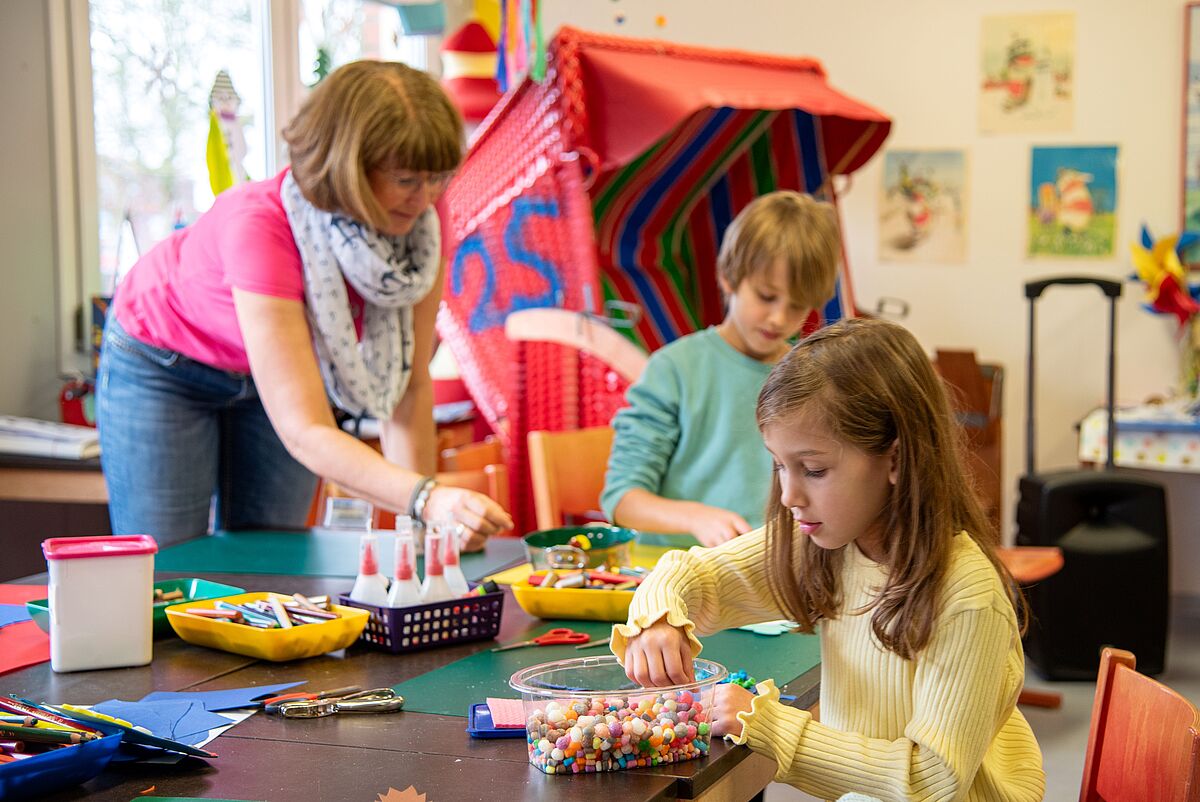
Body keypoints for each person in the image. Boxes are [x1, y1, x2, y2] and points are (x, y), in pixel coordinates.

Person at [614, 318, 1045, 800]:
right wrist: (658, 618)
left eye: (813, 469)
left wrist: (769, 726)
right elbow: (695, 574)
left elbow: (932, 780)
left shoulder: (967, 598)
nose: (789, 495)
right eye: (779, 465)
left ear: (897, 461)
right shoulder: (829, 542)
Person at [97, 61, 512, 549]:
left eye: (436, 179)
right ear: (348, 170)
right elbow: (305, 430)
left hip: (275, 375)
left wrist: (421, 533)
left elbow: (409, 383)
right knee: (168, 566)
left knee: (272, 555)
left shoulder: (421, 217)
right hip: (165, 365)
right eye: (405, 180)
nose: (424, 198)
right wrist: (427, 498)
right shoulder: (260, 225)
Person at [601, 191, 840, 546]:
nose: (779, 318)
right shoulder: (674, 369)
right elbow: (621, 499)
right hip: (676, 577)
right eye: (766, 296)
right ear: (729, 277)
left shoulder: (808, 375)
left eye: (797, 306)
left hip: (770, 573)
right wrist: (696, 517)